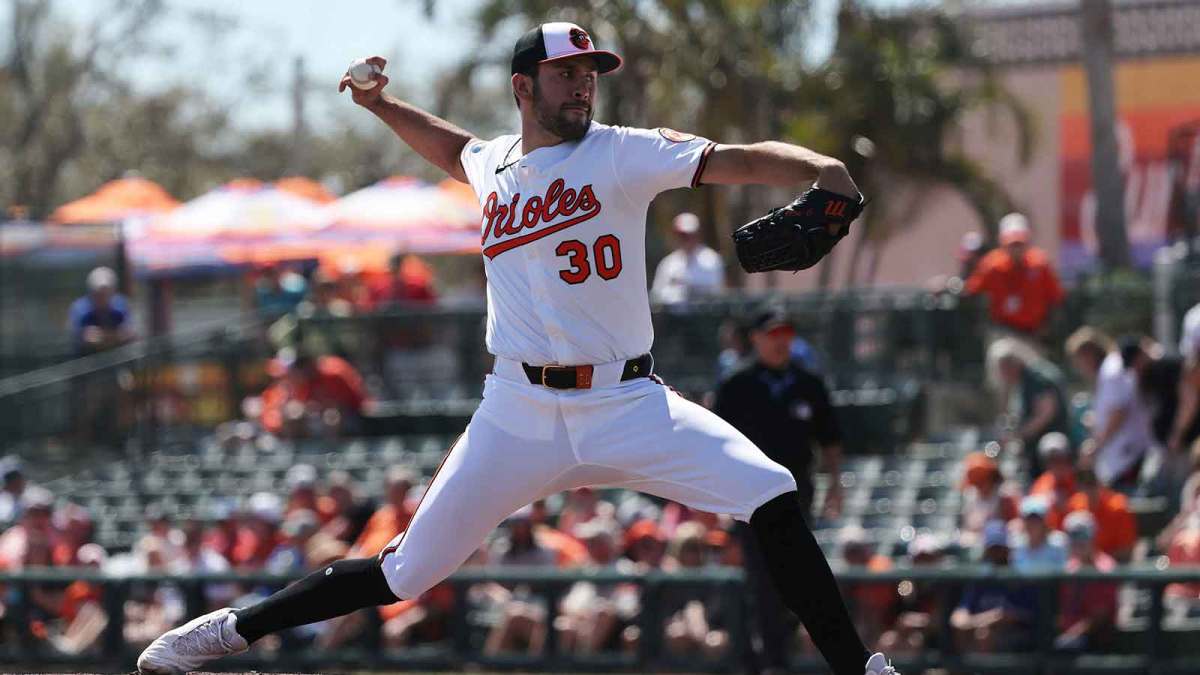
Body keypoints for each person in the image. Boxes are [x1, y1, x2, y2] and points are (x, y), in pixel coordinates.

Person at [137, 22, 894, 675]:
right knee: (404, 572)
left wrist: (821, 169)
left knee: (769, 489)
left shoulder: (623, 154)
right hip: (517, 410)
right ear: (522, 87)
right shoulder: (492, 164)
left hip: (626, 400)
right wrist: (377, 105)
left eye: (589, 75)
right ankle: (223, 633)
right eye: (565, 75)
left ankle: (859, 668)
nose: (582, 88)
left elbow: (742, 157)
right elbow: (451, 146)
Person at [712, 307, 846, 674]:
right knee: (763, 580)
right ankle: (771, 663)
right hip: (748, 497)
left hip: (798, 495)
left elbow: (830, 439)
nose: (781, 340)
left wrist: (836, 483)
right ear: (754, 337)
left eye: (786, 332)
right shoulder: (736, 385)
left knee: (798, 578)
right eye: (772, 333)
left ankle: (778, 658)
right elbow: (714, 441)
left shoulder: (808, 383)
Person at [1066, 327, 1154, 490]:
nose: (1079, 367)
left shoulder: (1111, 370)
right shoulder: (1107, 370)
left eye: (1079, 360)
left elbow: (1119, 412)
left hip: (1129, 454)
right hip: (1123, 455)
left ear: (1089, 354)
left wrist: (1096, 445)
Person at [964, 213, 1064, 336]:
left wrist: (1048, 326)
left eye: (1019, 244)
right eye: (1012, 244)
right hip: (1003, 331)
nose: (1016, 249)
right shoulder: (991, 265)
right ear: (1003, 243)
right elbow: (972, 290)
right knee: (1002, 353)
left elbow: (1056, 298)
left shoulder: (1040, 264)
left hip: (1035, 333)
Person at [950, 520, 1037, 653]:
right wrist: (991, 617)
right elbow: (958, 620)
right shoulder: (981, 579)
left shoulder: (1020, 577)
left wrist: (1001, 618)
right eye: (993, 549)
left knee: (984, 634)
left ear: (1008, 549)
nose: (997, 553)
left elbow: (1026, 615)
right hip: (979, 632)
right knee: (970, 633)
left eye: (1000, 548)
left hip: (1016, 637)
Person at [986, 338, 1069, 476]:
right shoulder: (1023, 382)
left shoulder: (1037, 378)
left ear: (1010, 365)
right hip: (1036, 454)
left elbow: (1046, 413)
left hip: (1051, 454)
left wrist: (1018, 435)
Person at [1055, 511, 1118, 652]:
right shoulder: (1069, 567)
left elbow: (1099, 617)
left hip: (1097, 637)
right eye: (1073, 537)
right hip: (1069, 634)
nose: (1078, 542)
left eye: (1082, 536)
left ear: (1093, 537)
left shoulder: (1105, 567)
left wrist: (1071, 634)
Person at [650, 212, 726, 305]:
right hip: (673, 317)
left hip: (703, 316)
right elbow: (657, 295)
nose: (686, 239)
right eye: (682, 236)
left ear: (698, 234)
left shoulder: (711, 260)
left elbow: (715, 292)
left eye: (690, 235)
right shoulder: (668, 263)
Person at [1064, 468, 1138, 562]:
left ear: (1100, 483)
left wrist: (1100, 560)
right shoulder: (1074, 505)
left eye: (1091, 483)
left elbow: (1127, 550)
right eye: (1083, 484)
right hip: (1080, 565)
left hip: (1114, 567)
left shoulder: (1118, 507)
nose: (1088, 489)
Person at [68, 266, 135, 356]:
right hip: (86, 360)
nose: (102, 297)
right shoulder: (80, 308)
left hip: (118, 358)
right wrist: (114, 336)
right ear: (91, 292)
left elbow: (129, 334)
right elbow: (84, 338)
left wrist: (103, 337)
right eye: (98, 293)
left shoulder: (121, 305)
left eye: (106, 292)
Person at [1028, 433, 1076, 529]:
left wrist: (1068, 506)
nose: (1056, 464)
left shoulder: (1080, 481)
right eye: (1051, 460)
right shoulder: (1040, 485)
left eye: (1060, 458)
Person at [1011, 496, 1067, 572]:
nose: (1033, 524)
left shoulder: (1058, 543)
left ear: (1044, 522)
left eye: (1037, 519)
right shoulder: (1015, 545)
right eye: (1029, 519)